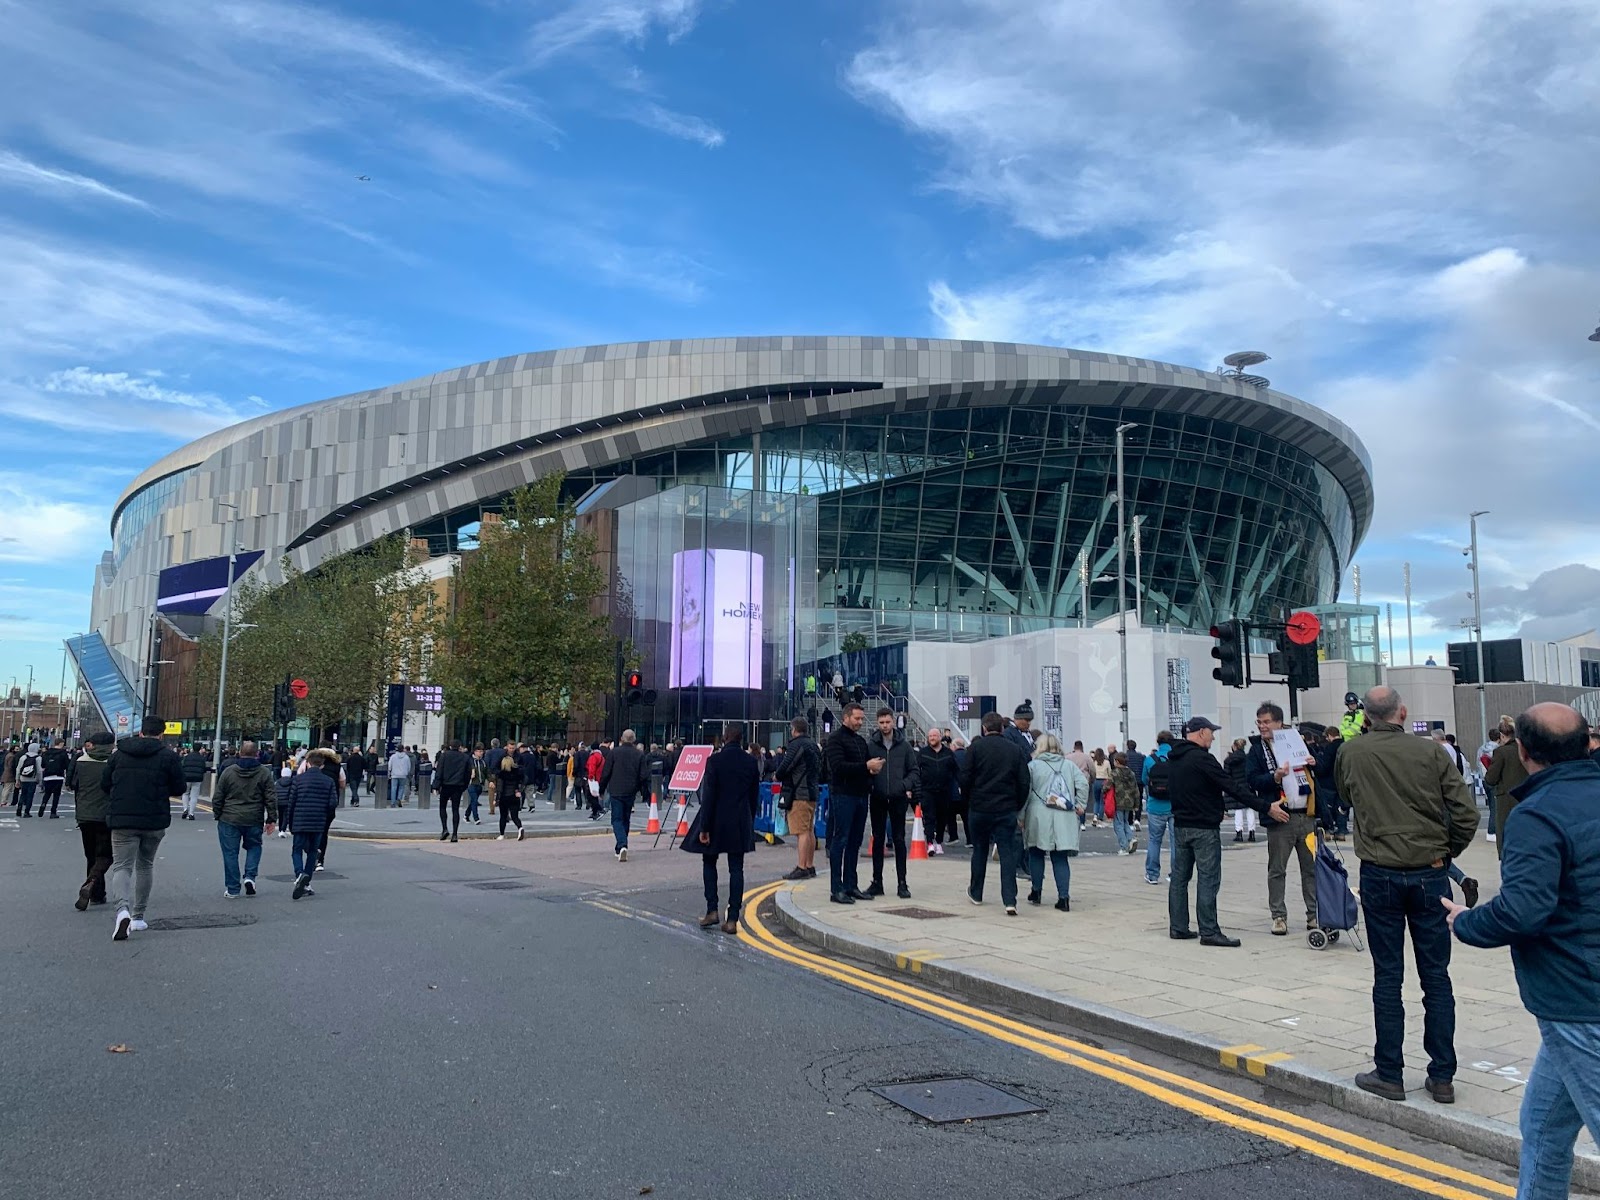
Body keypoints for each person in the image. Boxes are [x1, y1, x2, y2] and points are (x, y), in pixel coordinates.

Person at [1443, 704, 1600, 1198]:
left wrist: (1465, 921)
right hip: (1577, 999)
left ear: (1523, 751)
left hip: (1577, 999)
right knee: (1543, 1127)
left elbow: (1522, 912)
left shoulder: (1535, 815)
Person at [1335, 686, 1478, 1104]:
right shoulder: (1432, 752)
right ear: (1403, 712)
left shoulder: (1352, 752)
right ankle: (1442, 1075)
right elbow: (1466, 813)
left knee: (1387, 976)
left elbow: (1345, 797)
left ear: (1366, 715)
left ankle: (1389, 1072)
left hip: (1379, 872)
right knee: (1436, 977)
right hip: (1429, 873)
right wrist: (1445, 850)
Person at [1168, 716, 1285, 947]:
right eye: (1211, 732)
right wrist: (1265, 807)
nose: (1213, 736)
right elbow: (1231, 787)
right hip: (1204, 827)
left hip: (1180, 825)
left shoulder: (1174, 758)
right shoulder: (1203, 759)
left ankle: (1178, 927)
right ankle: (1209, 931)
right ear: (1201, 732)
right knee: (1208, 878)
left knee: (1180, 879)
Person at [104, 715, 187, 941]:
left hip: (122, 818)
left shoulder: (119, 754)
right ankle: (139, 916)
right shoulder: (168, 757)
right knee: (145, 865)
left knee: (122, 866)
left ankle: (122, 910)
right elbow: (179, 787)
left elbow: (105, 783)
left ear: (141, 732)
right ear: (161, 734)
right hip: (154, 819)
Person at [1247, 702, 1319, 937]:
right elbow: (1252, 781)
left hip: (1305, 814)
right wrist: (1274, 777)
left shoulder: (1295, 741)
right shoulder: (1258, 750)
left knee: (1311, 869)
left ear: (1279, 722)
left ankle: (1314, 914)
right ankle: (1278, 916)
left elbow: (1322, 769)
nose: (1262, 726)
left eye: (1266, 722)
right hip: (1280, 816)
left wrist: (1314, 763)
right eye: (1259, 722)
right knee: (1277, 869)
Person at [684, 722, 761, 934]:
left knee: (709, 862)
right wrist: (749, 820)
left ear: (725, 738)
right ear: (741, 739)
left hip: (716, 820)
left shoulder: (714, 761)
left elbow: (708, 796)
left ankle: (712, 910)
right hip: (739, 820)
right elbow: (754, 796)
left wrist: (704, 827)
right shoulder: (750, 762)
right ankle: (733, 918)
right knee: (737, 868)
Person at [960, 711, 1031, 915]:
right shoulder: (1014, 750)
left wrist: (970, 800)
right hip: (1005, 808)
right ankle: (1009, 900)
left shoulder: (975, 748)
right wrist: (1016, 804)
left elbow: (965, 778)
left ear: (984, 728)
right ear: (1002, 728)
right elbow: (1024, 781)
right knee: (1007, 853)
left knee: (980, 850)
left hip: (980, 807)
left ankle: (976, 892)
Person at [1023, 733, 1088, 910]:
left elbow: (1026, 792)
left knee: (1036, 852)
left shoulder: (1033, 766)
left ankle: (1036, 891)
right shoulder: (1069, 765)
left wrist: (1021, 817)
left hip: (1038, 813)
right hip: (1064, 812)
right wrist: (1080, 804)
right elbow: (1083, 784)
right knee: (1060, 857)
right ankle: (1063, 897)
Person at [211, 739, 277, 898]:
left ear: (240, 753)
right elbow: (271, 797)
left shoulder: (229, 771)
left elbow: (218, 797)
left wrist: (218, 814)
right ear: (257, 754)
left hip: (229, 817)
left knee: (230, 853)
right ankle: (250, 877)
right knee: (254, 847)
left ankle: (233, 888)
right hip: (254, 817)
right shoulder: (264, 773)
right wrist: (271, 819)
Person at [823, 702, 874, 904]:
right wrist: (865, 767)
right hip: (843, 795)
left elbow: (864, 767)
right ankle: (837, 889)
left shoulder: (861, 741)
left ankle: (851, 885)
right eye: (857, 718)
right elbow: (838, 767)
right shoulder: (835, 740)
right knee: (841, 840)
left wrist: (871, 771)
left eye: (862, 718)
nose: (860, 722)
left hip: (861, 795)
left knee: (855, 841)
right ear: (846, 717)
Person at [867, 707, 920, 899]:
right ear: (877, 723)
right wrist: (872, 784)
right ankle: (877, 882)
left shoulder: (904, 746)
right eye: (881, 722)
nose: (885, 726)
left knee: (899, 840)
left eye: (888, 722)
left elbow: (914, 770)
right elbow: (866, 769)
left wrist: (903, 785)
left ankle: (902, 883)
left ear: (892, 722)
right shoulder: (871, 745)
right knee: (878, 840)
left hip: (898, 798)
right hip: (878, 797)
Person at [66, 732, 115, 910]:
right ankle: (91, 883)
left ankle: (97, 894)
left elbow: (72, 783)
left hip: (85, 814)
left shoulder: (80, 761)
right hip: (106, 815)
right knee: (106, 855)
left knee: (90, 854)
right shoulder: (114, 762)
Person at [284, 749, 339, 899]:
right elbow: (333, 803)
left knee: (297, 850)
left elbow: (291, 803)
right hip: (318, 821)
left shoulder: (298, 780)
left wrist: (289, 822)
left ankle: (299, 875)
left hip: (300, 820)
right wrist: (323, 815)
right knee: (313, 852)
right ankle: (306, 882)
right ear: (322, 765)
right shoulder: (328, 782)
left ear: (307, 763)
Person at [775, 716, 821, 881]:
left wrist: (777, 775)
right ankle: (809, 865)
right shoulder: (814, 746)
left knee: (801, 832)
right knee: (809, 830)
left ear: (794, 729)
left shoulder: (796, 745)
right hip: (812, 792)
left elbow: (785, 767)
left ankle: (802, 867)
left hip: (798, 793)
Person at [600, 729, 649, 862]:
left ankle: (622, 844)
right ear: (633, 740)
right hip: (630, 790)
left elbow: (606, 772)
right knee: (626, 818)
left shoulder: (614, 752)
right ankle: (620, 846)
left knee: (616, 819)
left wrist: (601, 789)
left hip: (616, 789)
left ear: (621, 739)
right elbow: (644, 776)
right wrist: (644, 792)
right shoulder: (639, 754)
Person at [1485, 716, 1528, 860]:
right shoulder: (1526, 749)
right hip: (1526, 796)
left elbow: (1490, 779)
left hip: (1506, 799)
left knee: (1505, 837)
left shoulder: (1501, 752)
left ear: (1502, 735)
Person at [916, 727, 958, 856]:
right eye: (930, 736)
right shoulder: (923, 753)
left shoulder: (948, 753)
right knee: (929, 817)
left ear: (940, 737)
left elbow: (956, 770)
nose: (932, 738)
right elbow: (916, 771)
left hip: (944, 791)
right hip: (927, 791)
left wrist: (960, 785)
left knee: (942, 818)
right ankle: (929, 843)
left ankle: (938, 842)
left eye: (934, 736)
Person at [1141, 731, 1176, 885]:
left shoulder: (1150, 760)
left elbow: (1144, 779)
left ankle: (1152, 874)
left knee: (1155, 841)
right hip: (1174, 805)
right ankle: (1176, 873)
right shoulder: (1176, 758)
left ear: (1158, 742)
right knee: (1176, 841)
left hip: (1155, 805)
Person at [434, 740, 470, 842]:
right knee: (455, 809)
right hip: (458, 785)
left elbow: (439, 771)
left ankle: (445, 828)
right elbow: (467, 773)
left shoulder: (444, 756)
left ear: (450, 746)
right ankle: (455, 834)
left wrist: (436, 786)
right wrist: (464, 786)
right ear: (459, 747)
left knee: (442, 807)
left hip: (446, 785)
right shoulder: (465, 757)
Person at [1223, 737, 1256, 843]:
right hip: (1248, 786)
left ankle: (1239, 833)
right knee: (1249, 809)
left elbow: (1226, 775)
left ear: (1234, 746)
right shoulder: (1248, 758)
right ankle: (1252, 833)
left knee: (1238, 810)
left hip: (1236, 786)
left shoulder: (1229, 760)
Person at [1107, 752, 1139, 854]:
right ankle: (1130, 838)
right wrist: (1137, 804)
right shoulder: (1131, 773)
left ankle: (1124, 846)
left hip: (1118, 801)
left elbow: (1107, 786)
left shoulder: (1114, 773)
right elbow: (1136, 789)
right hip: (1129, 801)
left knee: (1118, 825)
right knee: (1125, 822)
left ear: (1116, 761)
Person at [495, 745, 525, 841]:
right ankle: (520, 827)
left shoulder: (501, 775)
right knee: (515, 815)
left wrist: (497, 799)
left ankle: (502, 834)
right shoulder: (517, 772)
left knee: (503, 816)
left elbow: (499, 787)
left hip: (504, 796)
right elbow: (523, 780)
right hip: (514, 795)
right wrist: (519, 790)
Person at [39, 739, 71, 818]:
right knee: (56, 795)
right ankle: (53, 812)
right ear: (61, 744)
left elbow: (42, 765)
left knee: (47, 793)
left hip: (47, 776)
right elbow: (67, 765)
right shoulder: (63, 753)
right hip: (58, 776)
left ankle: (43, 805)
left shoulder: (46, 753)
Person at [178, 743, 209, 820]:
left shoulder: (187, 757)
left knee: (185, 793)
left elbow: (182, 766)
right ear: (200, 749)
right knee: (194, 796)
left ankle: (185, 809)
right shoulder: (202, 758)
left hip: (187, 777)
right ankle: (191, 813)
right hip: (197, 778)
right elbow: (203, 768)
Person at [15, 742, 41, 816]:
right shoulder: (38, 758)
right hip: (33, 779)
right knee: (30, 795)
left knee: (23, 794)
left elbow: (18, 769)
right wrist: (40, 780)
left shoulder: (23, 757)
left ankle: (19, 808)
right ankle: (27, 811)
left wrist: (17, 779)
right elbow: (39, 771)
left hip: (23, 778)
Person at [1087, 747, 1110, 826]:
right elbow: (1109, 773)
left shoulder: (1094, 762)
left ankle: (1095, 815)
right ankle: (1100, 817)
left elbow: (1091, 772)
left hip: (1096, 781)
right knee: (1102, 801)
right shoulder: (1106, 762)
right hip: (1104, 781)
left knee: (1096, 800)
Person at [466, 745, 488, 824]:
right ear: (475, 752)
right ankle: (476, 818)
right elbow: (466, 770)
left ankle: (466, 815)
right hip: (471, 784)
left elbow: (486, 772)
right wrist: (470, 774)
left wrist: (490, 780)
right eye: (479, 751)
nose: (481, 753)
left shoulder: (483, 762)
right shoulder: (470, 761)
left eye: (482, 751)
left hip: (480, 784)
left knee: (473, 801)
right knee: (474, 800)